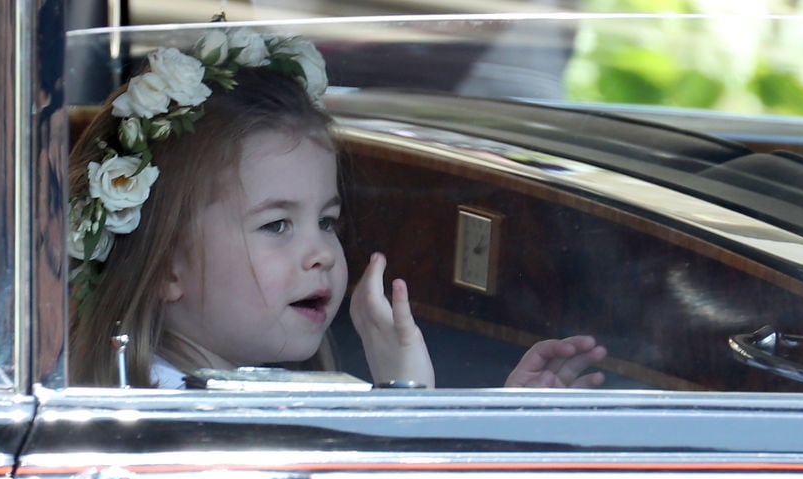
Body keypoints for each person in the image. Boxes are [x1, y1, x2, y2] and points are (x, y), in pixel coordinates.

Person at [67, 27, 605, 390]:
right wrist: (406, 398)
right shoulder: (198, 425)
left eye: (326, 221)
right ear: (165, 266)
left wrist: (506, 423)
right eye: (277, 224)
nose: (321, 253)